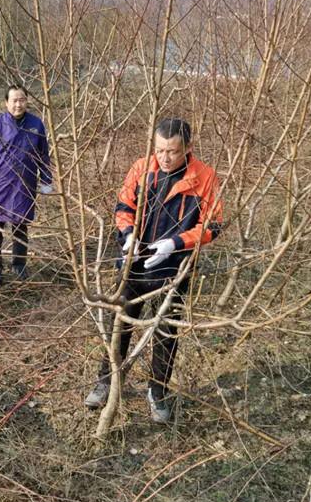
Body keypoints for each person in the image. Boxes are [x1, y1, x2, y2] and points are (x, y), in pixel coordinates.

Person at [84, 118, 222, 423]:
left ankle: (157, 391)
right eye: (160, 150)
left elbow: (213, 226)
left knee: (166, 332)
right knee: (117, 325)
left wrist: (175, 243)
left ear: (188, 148)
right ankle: (106, 380)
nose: (165, 157)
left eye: (172, 151)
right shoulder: (141, 168)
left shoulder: (204, 177)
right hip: (133, 264)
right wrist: (128, 236)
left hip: (174, 269)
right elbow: (123, 207)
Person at [0, 84, 53, 285]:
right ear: (6, 103)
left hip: (24, 184)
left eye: (22, 100)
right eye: (14, 100)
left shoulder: (36, 124)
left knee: (20, 226)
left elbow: (43, 154)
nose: (18, 104)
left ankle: (19, 266)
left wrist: (46, 179)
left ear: (27, 101)